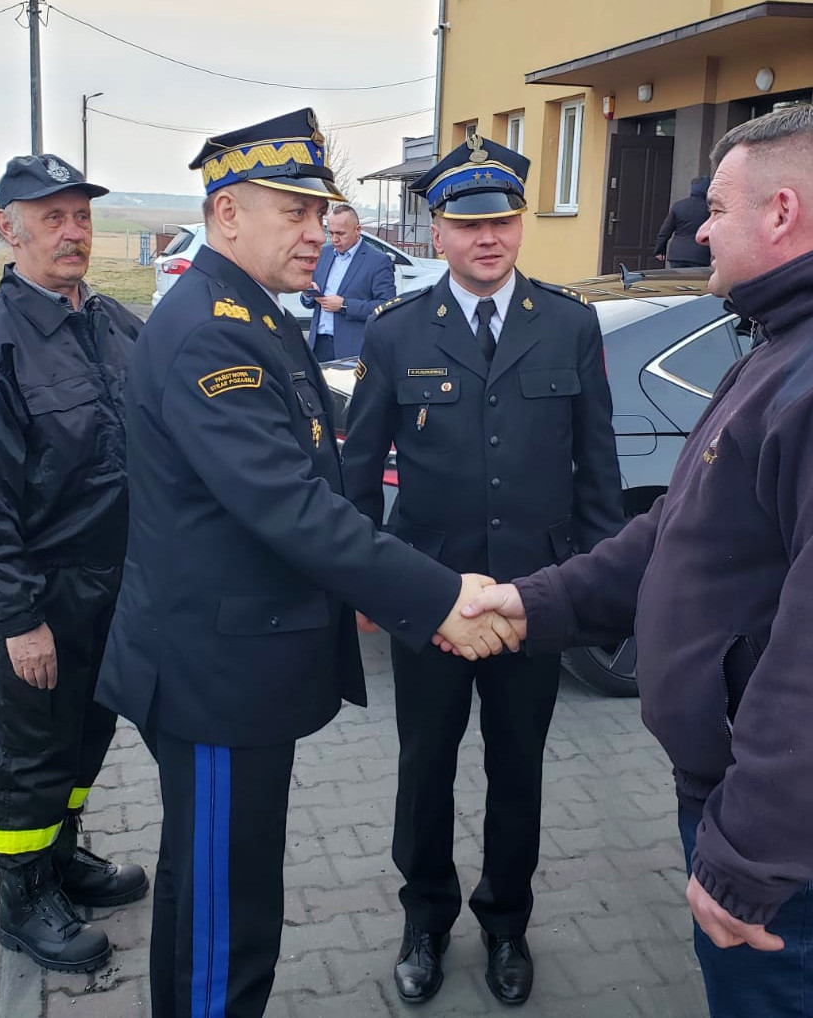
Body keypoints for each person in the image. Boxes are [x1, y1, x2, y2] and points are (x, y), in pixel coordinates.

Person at [456, 106, 813, 1017]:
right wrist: (532, 603)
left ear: (781, 212)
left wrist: (752, 861)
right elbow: (680, 533)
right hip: (766, 810)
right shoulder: (796, 341)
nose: (698, 230)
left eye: (716, 208)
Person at [92, 108, 518, 1018]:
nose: (318, 231)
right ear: (226, 213)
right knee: (225, 915)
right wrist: (435, 596)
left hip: (235, 665)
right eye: (294, 211)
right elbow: (288, 503)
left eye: (321, 211)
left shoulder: (250, 313)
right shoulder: (213, 329)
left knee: (220, 887)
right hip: (216, 679)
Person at [341, 134, 624, 1007]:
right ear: (437, 233)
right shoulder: (396, 333)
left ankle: (506, 923)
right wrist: (364, 585)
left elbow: (597, 469)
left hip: (533, 599)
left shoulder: (570, 325)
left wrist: (598, 588)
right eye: (468, 225)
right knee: (425, 765)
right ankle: (425, 919)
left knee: (518, 768)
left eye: (502, 221)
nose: (488, 238)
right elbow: (358, 472)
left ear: (521, 225)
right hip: (430, 596)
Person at [0, 153, 147, 974]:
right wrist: (20, 617)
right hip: (41, 591)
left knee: (88, 733)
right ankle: (22, 900)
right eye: (52, 216)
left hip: (116, 584)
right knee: (28, 751)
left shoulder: (117, 325)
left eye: (82, 216)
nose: (72, 232)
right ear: (7, 229)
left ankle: (61, 857)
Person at [301, 203, 396, 361]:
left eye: (340, 233)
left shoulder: (378, 261)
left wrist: (345, 305)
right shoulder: (323, 254)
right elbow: (309, 302)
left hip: (352, 349)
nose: (334, 239)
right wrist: (307, 293)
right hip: (318, 345)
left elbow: (387, 307)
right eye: (331, 233)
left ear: (357, 230)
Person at [653, 175, 711, 267]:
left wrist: (659, 250)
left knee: (677, 276)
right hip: (700, 255)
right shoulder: (710, 209)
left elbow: (665, 231)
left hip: (677, 254)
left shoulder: (678, 206)